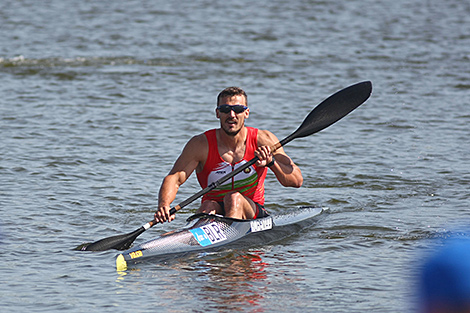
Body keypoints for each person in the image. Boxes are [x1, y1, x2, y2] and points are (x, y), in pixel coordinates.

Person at [154, 87, 303, 223]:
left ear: (246, 113)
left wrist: (271, 163)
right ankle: (193, 239)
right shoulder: (200, 144)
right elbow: (174, 178)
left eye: (237, 109)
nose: (231, 115)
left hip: (252, 211)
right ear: (218, 113)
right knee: (208, 205)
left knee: (233, 198)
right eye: (225, 109)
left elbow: (296, 181)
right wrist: (164, 205)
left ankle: (229, 242)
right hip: (213, 208)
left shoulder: (264, 140)